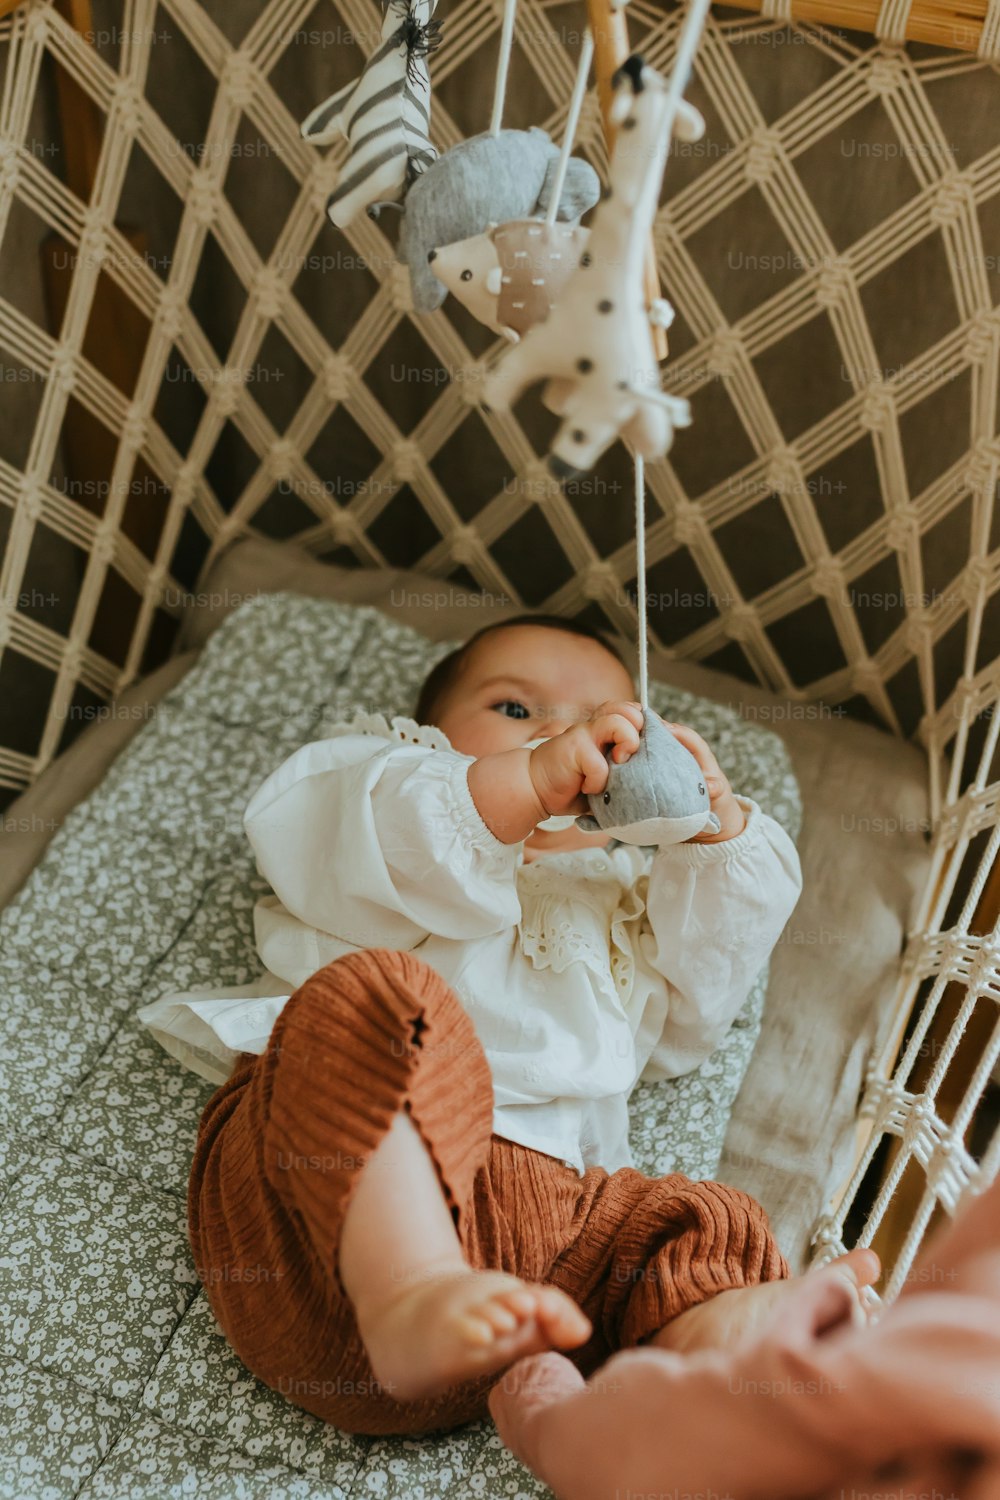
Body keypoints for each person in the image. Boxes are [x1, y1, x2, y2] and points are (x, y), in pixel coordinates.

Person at [144, 614, 868, 1435]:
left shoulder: (624, 904)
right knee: (379, 998)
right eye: (517, 711)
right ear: (432, 733)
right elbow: (344, 832)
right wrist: (519, 782)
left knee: (704, 1219)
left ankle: (707, 1364)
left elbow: (690, 1022)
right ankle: (407, 1283)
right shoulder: (391, 785)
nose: (569, 733)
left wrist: (714, 831)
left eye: (612, 724)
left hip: (531, 1270)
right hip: (306, 1213)